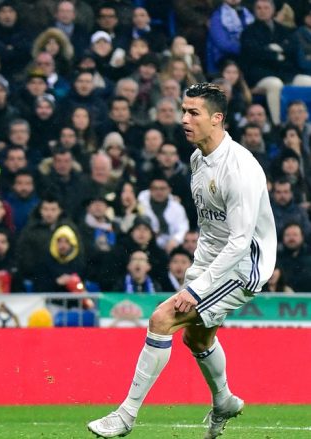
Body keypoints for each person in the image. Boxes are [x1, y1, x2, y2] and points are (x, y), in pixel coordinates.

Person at [88, 82, 277, 438]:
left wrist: (199, 287)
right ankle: (224, 401)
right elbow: (210, 224)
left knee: (162, 318)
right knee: (197, 339)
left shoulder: (239, 169)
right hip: (211, 258)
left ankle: (126, 415)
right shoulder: (197, 158)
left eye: (193, 112)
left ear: (217, 118)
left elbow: (238, 242)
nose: (184, 119)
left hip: (244, 265)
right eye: (183, 110)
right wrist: (198, 270)